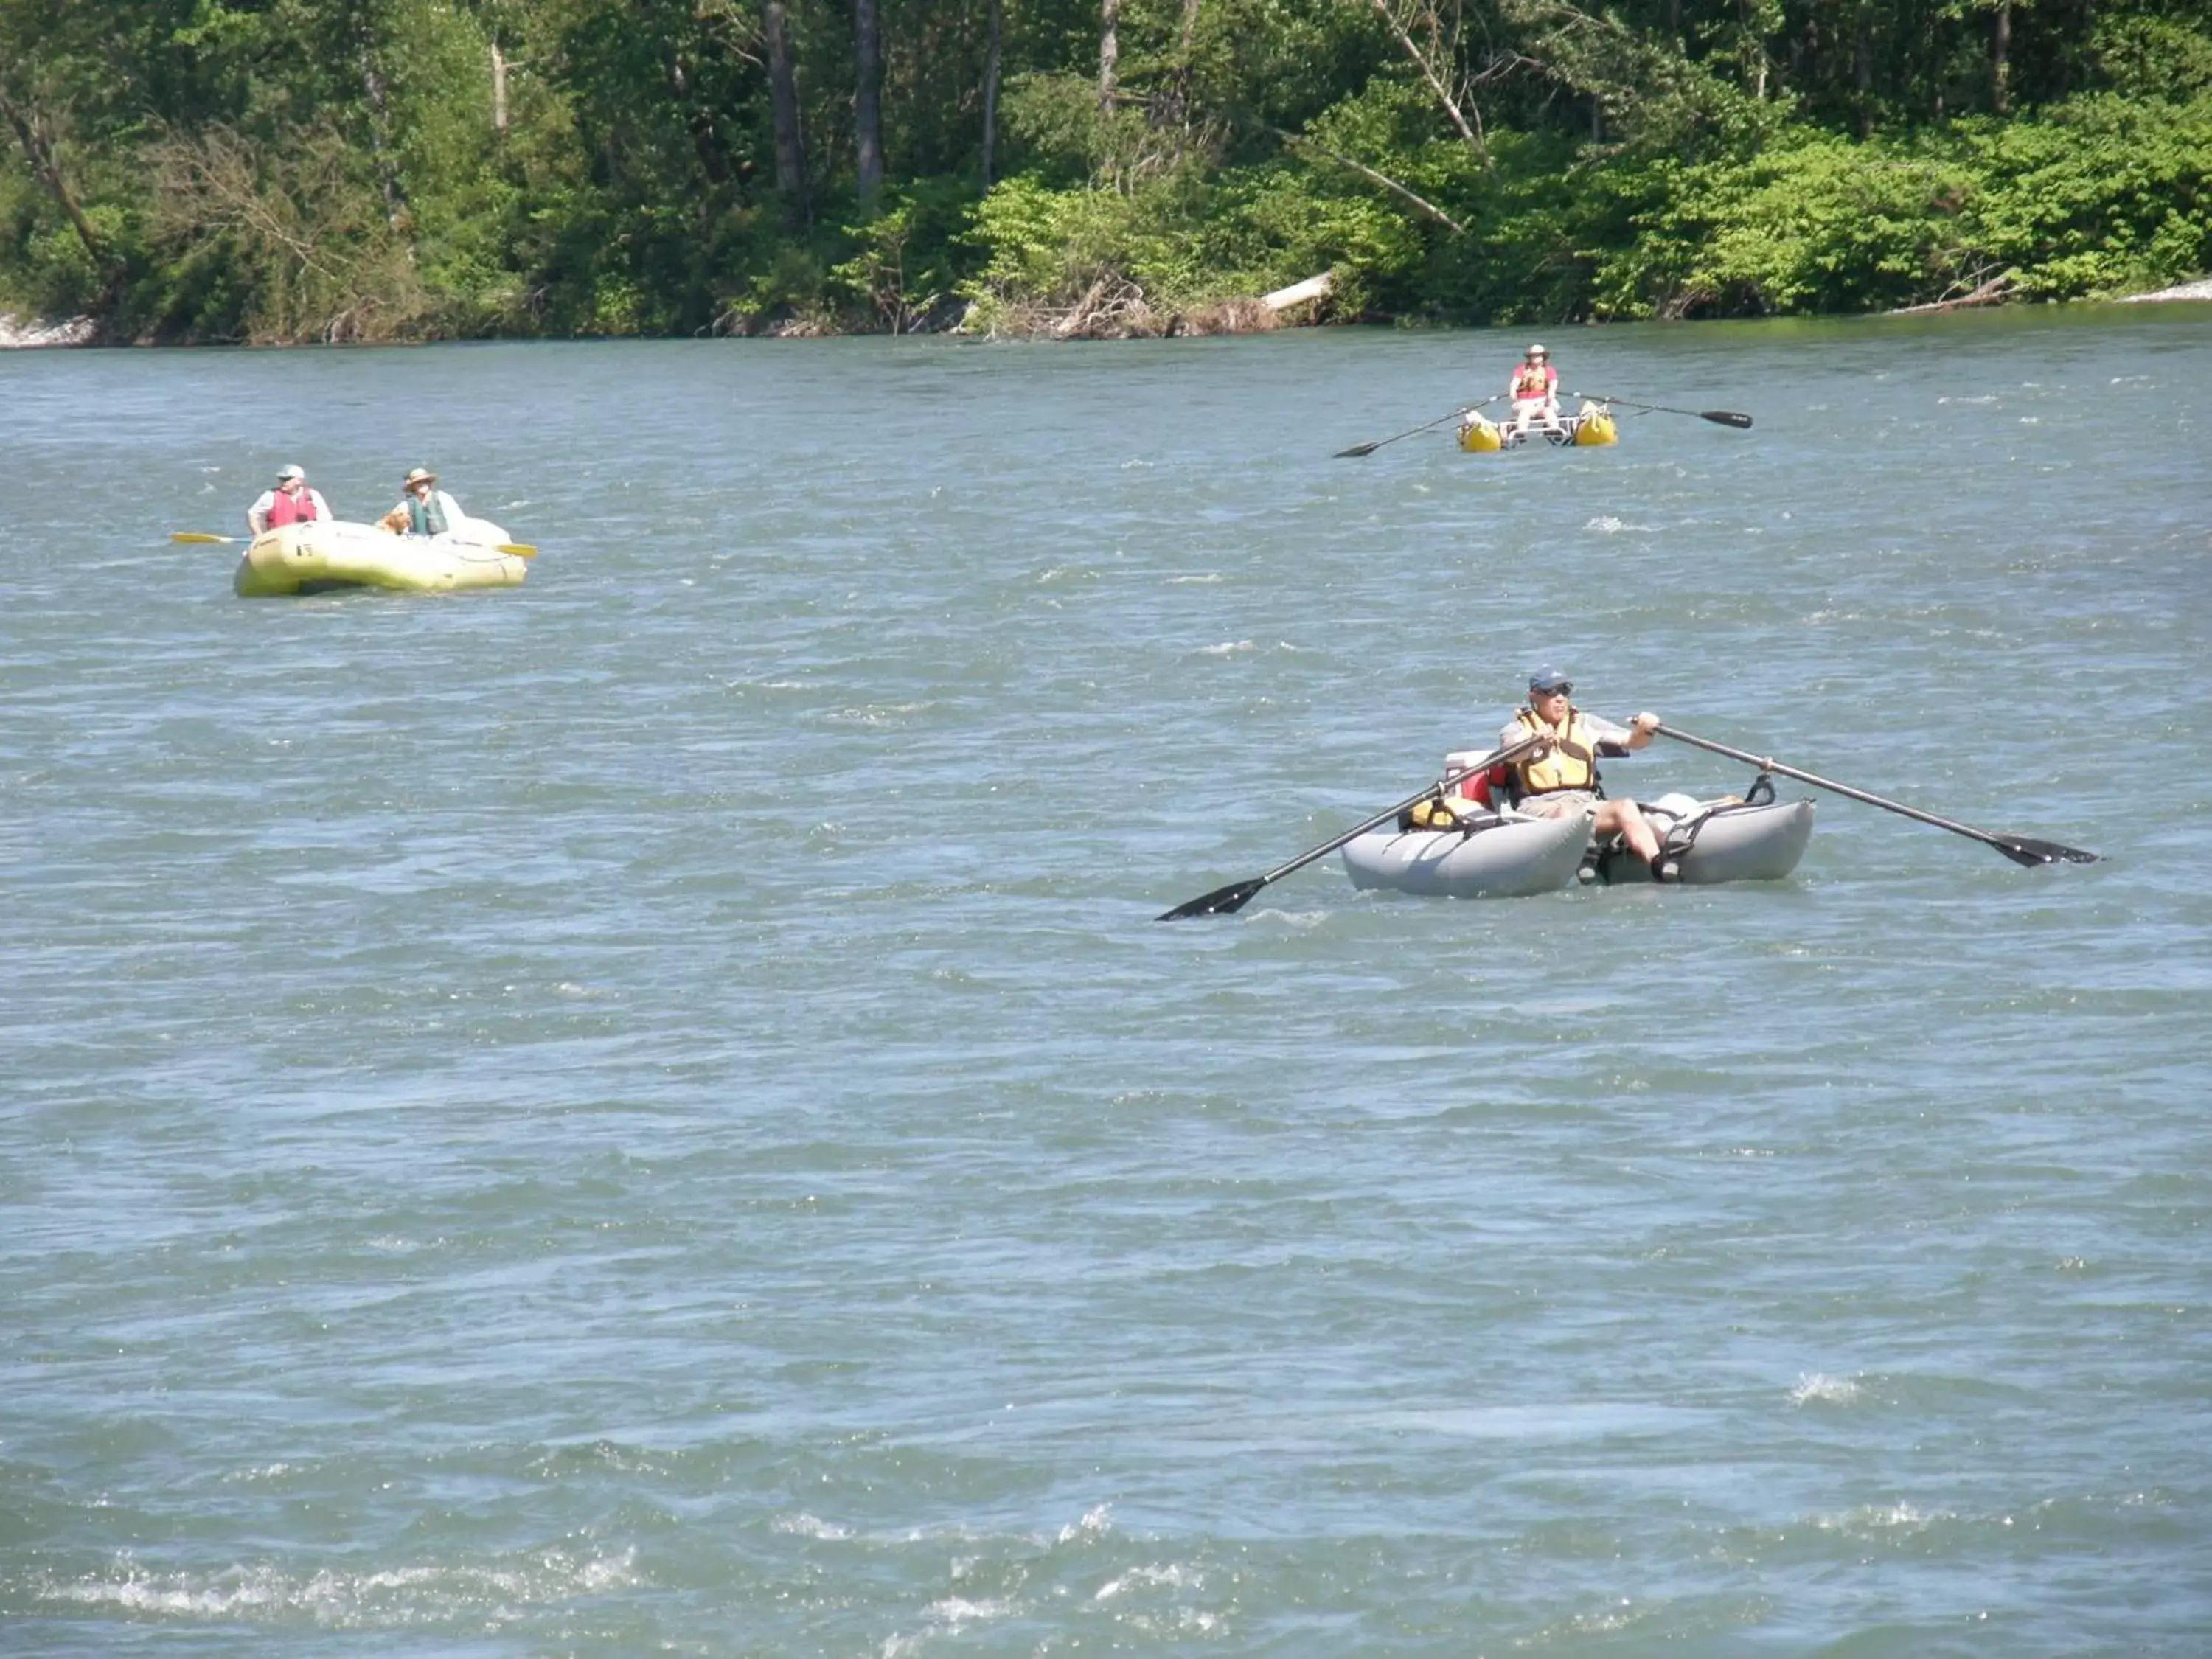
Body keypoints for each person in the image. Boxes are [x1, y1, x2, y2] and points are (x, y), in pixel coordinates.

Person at [1495, 667, 1675, 877]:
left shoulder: (1585, 723)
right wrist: (1534, 742)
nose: (1560, 698)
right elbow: (1510, 755)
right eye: (1551, 692)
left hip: (1584, 802)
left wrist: (1645, 730)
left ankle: (1657, 863)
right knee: (1564, 814)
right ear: (1533, 696)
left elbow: (1631, 742)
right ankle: (1586, 856)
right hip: (1538, 806)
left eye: (1564, 691)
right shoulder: (1516, 729)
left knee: (1625, 806)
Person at [245, 464, 331, 535]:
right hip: (279, 540)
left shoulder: (313, 495)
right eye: (281, 479)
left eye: (287, 479)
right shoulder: (271, 496)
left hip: (307, 540)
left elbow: (325, 520)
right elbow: (253, 514)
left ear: (299, 480)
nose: (283, 482)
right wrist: (259, 536)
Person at [383, 467, 467, 537]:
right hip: (418, 544)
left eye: (426, 481)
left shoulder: (443, 498)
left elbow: (459, 521)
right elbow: (388, 525)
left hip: (443, 541)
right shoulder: (405, 506)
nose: (423, 484)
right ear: (413, 486)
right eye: (418, 482)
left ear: (430, 483)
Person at [1505, 342, 1560, 436]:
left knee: (1549, 411)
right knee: (1525, 411)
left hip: (1543, 401)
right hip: (1524, 401)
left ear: (1543, 357)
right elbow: (1514, 383)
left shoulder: (1549, 370)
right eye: (1533, 355)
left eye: (1538, 355)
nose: (1535, 357)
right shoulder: (1521, 369)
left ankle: (1555, 431)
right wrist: (1513, 392)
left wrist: (1550, 396)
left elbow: (1553, 384)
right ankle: (1521, 433)